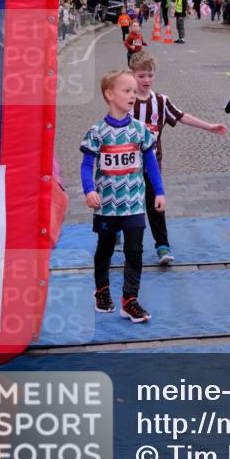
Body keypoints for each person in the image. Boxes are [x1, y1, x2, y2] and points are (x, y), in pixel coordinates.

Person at [80, 69, 163, 323]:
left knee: (135, 250)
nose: (133, 96)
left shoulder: (140, 130)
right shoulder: (97, 132)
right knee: (105, 248)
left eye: (135, 92)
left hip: (134, 203)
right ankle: (102, 291)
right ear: (109, 94)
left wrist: (159, 191)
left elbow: (150, 162)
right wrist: (89, 190)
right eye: (127, 91)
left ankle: (130, 300)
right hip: (106, 206)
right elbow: (86, 165)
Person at [130, 52, 227, 263]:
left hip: (152, 165)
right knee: (128, 205)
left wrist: (209, 126)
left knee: (155, 205)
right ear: (132, 75)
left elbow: (182, 117)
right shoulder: (126, 101)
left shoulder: (161, 101)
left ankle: (162, 246)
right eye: (141, 76)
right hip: (127, 167)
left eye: (150, 75)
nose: (146, 80)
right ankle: (122, 238)